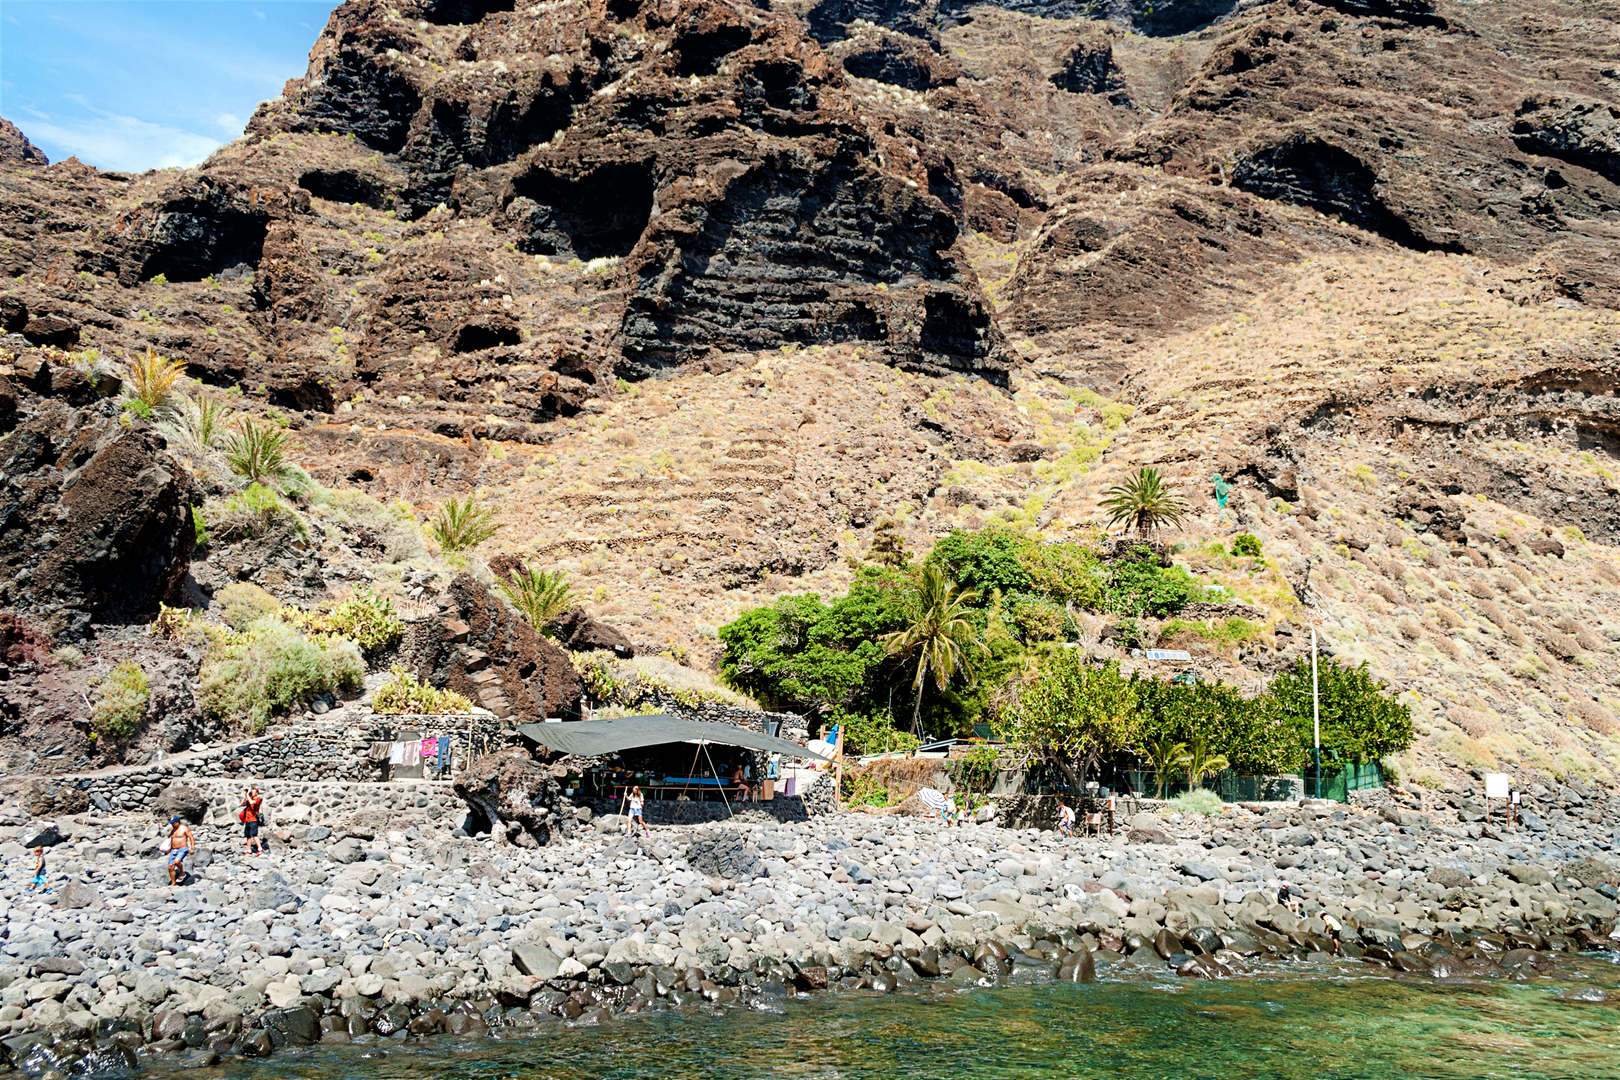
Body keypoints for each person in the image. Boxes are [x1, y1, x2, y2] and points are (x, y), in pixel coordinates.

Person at [166, 816, 195, 886]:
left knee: (177, 862)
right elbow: (171, 840)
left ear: (177, 822)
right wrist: (169, 849)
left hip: (182, 849)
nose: (172, 825)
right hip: (173, 850)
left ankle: (182, 873)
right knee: (170, 867)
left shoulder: (184, 828)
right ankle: (173, 883)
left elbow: (191, 838)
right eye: (171, 823)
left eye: (173, 823)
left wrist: (192, 848)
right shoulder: (173, 830)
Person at [239, 787, 264, 857]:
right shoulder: (250, 798)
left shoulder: (259, 799)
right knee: (248, 835)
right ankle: (248, 850)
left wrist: (247, 795)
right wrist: (245, 795)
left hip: (254, 820)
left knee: (254, 835)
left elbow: (252, 802)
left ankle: (260, 849)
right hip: (247, 820)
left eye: (253, 792)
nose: (252, 793)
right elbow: (241, 804)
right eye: (251, 791)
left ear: (257, 793)